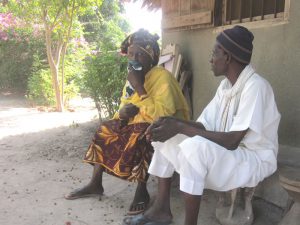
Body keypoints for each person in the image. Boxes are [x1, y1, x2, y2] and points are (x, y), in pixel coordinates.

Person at [123, 26, 281, 225]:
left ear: (228, 57)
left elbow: (232, 141)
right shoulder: (226, 87)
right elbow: (203, 125)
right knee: (165, 135)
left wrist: (180, 127)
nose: (211, 59)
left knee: (196, 147)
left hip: (253, 157)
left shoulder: (255, 86)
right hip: (228, 152)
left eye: (214, 53)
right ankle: (161, 210)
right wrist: (171, 123)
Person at [64, 29, 190, 215]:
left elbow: (162, 116)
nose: (134, 59)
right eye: (131, 54)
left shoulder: (162, 78)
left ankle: (142, 190)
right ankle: (95, 183)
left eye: (140, 54)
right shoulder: (132, 77)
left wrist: (139, 87)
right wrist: (122, 113)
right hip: (138, 121)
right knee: (106, 128)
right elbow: (125, 105)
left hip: (165, 127)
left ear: (150, 58)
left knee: (141, 135)